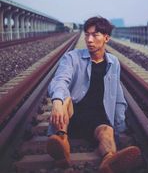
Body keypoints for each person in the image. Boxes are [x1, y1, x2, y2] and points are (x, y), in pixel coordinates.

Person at [47, 16, 141, 172]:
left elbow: (118, 97)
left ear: (106, 38)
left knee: (107, 133)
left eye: (95, 35)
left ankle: (109, 161)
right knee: (65, 101)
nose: (89, 40)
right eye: (87, 34)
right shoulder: (71, 57)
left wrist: (119, 129)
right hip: (71, 116)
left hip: (97, 120)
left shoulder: (113, 63)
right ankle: (61, 143)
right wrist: (57, 101)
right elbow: (60, 80)